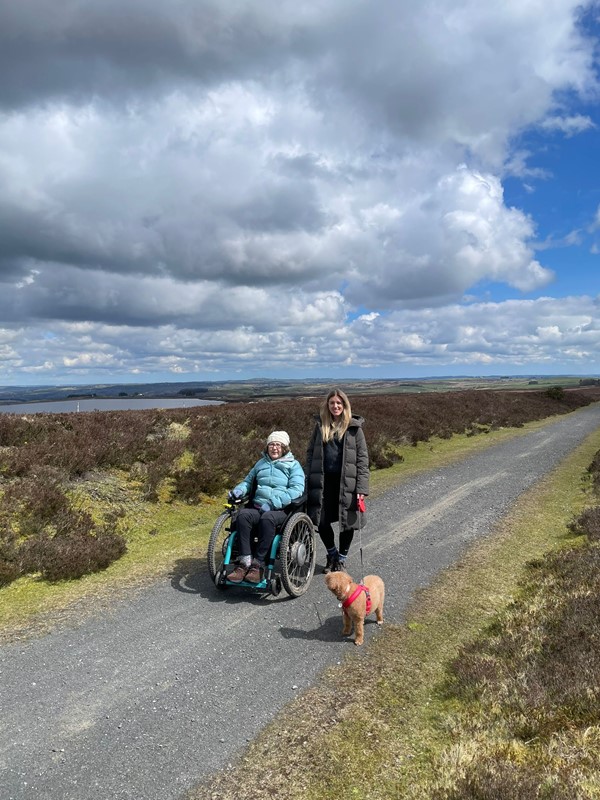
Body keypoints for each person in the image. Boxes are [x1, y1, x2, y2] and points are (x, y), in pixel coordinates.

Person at [227, 431, 305, 584]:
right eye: (271, 445)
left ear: (284, 447)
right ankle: (244, 562)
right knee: (243, 515)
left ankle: (258, 564)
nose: (274, 448)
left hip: (281, 510)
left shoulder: (293, 465)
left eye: (278, 445)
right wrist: (239, 490)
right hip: (258, 507)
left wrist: (273, 503)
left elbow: (297, 489)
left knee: (267, 519)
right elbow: (248, 482)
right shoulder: (260, 463)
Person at [305, 389, 369, 573]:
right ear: (327, 406)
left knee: (346, 521)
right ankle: (331, 554)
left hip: (347, 482)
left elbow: (362, 460)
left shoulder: (354, 428)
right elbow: (310, 453)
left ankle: (341, 559)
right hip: (324, 482)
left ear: (345, 405)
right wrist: (307, 476)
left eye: (339, 403)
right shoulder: (320, 427)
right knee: (321, 520)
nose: (335, 406)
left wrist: (361, 488)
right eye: (332, 403)